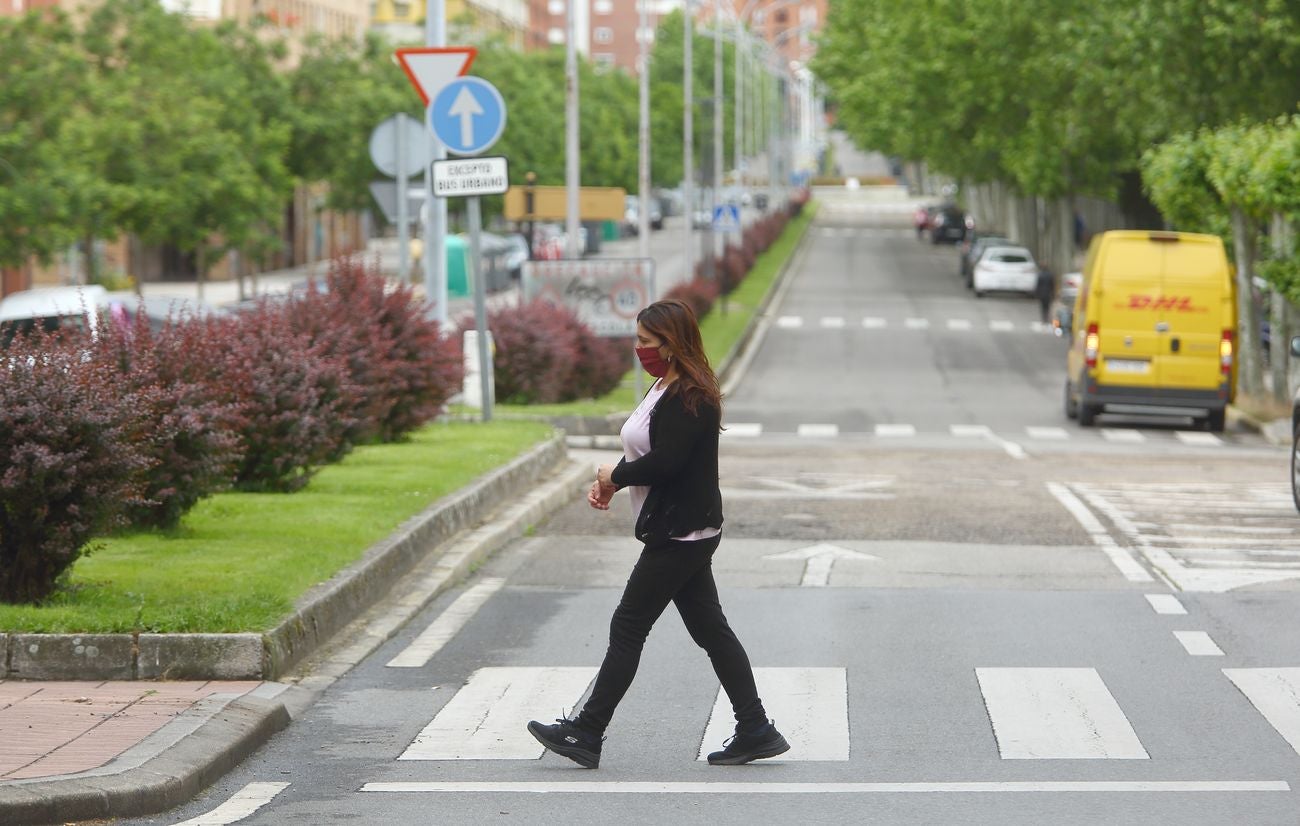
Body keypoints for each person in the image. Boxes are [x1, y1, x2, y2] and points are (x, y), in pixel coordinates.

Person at [527, 299, 788, 769]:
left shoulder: (692, 396)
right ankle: (755, 728)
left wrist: (613, 475)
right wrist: (615, 480)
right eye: (639, 340)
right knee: (711, 630)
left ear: (672, 343)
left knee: (628, 625)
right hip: (683, 528)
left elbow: (667, 462)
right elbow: (651, 452)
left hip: (681, 531)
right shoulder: (664, 387)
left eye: (647, 342)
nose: (639, 348)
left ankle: (587, 731)